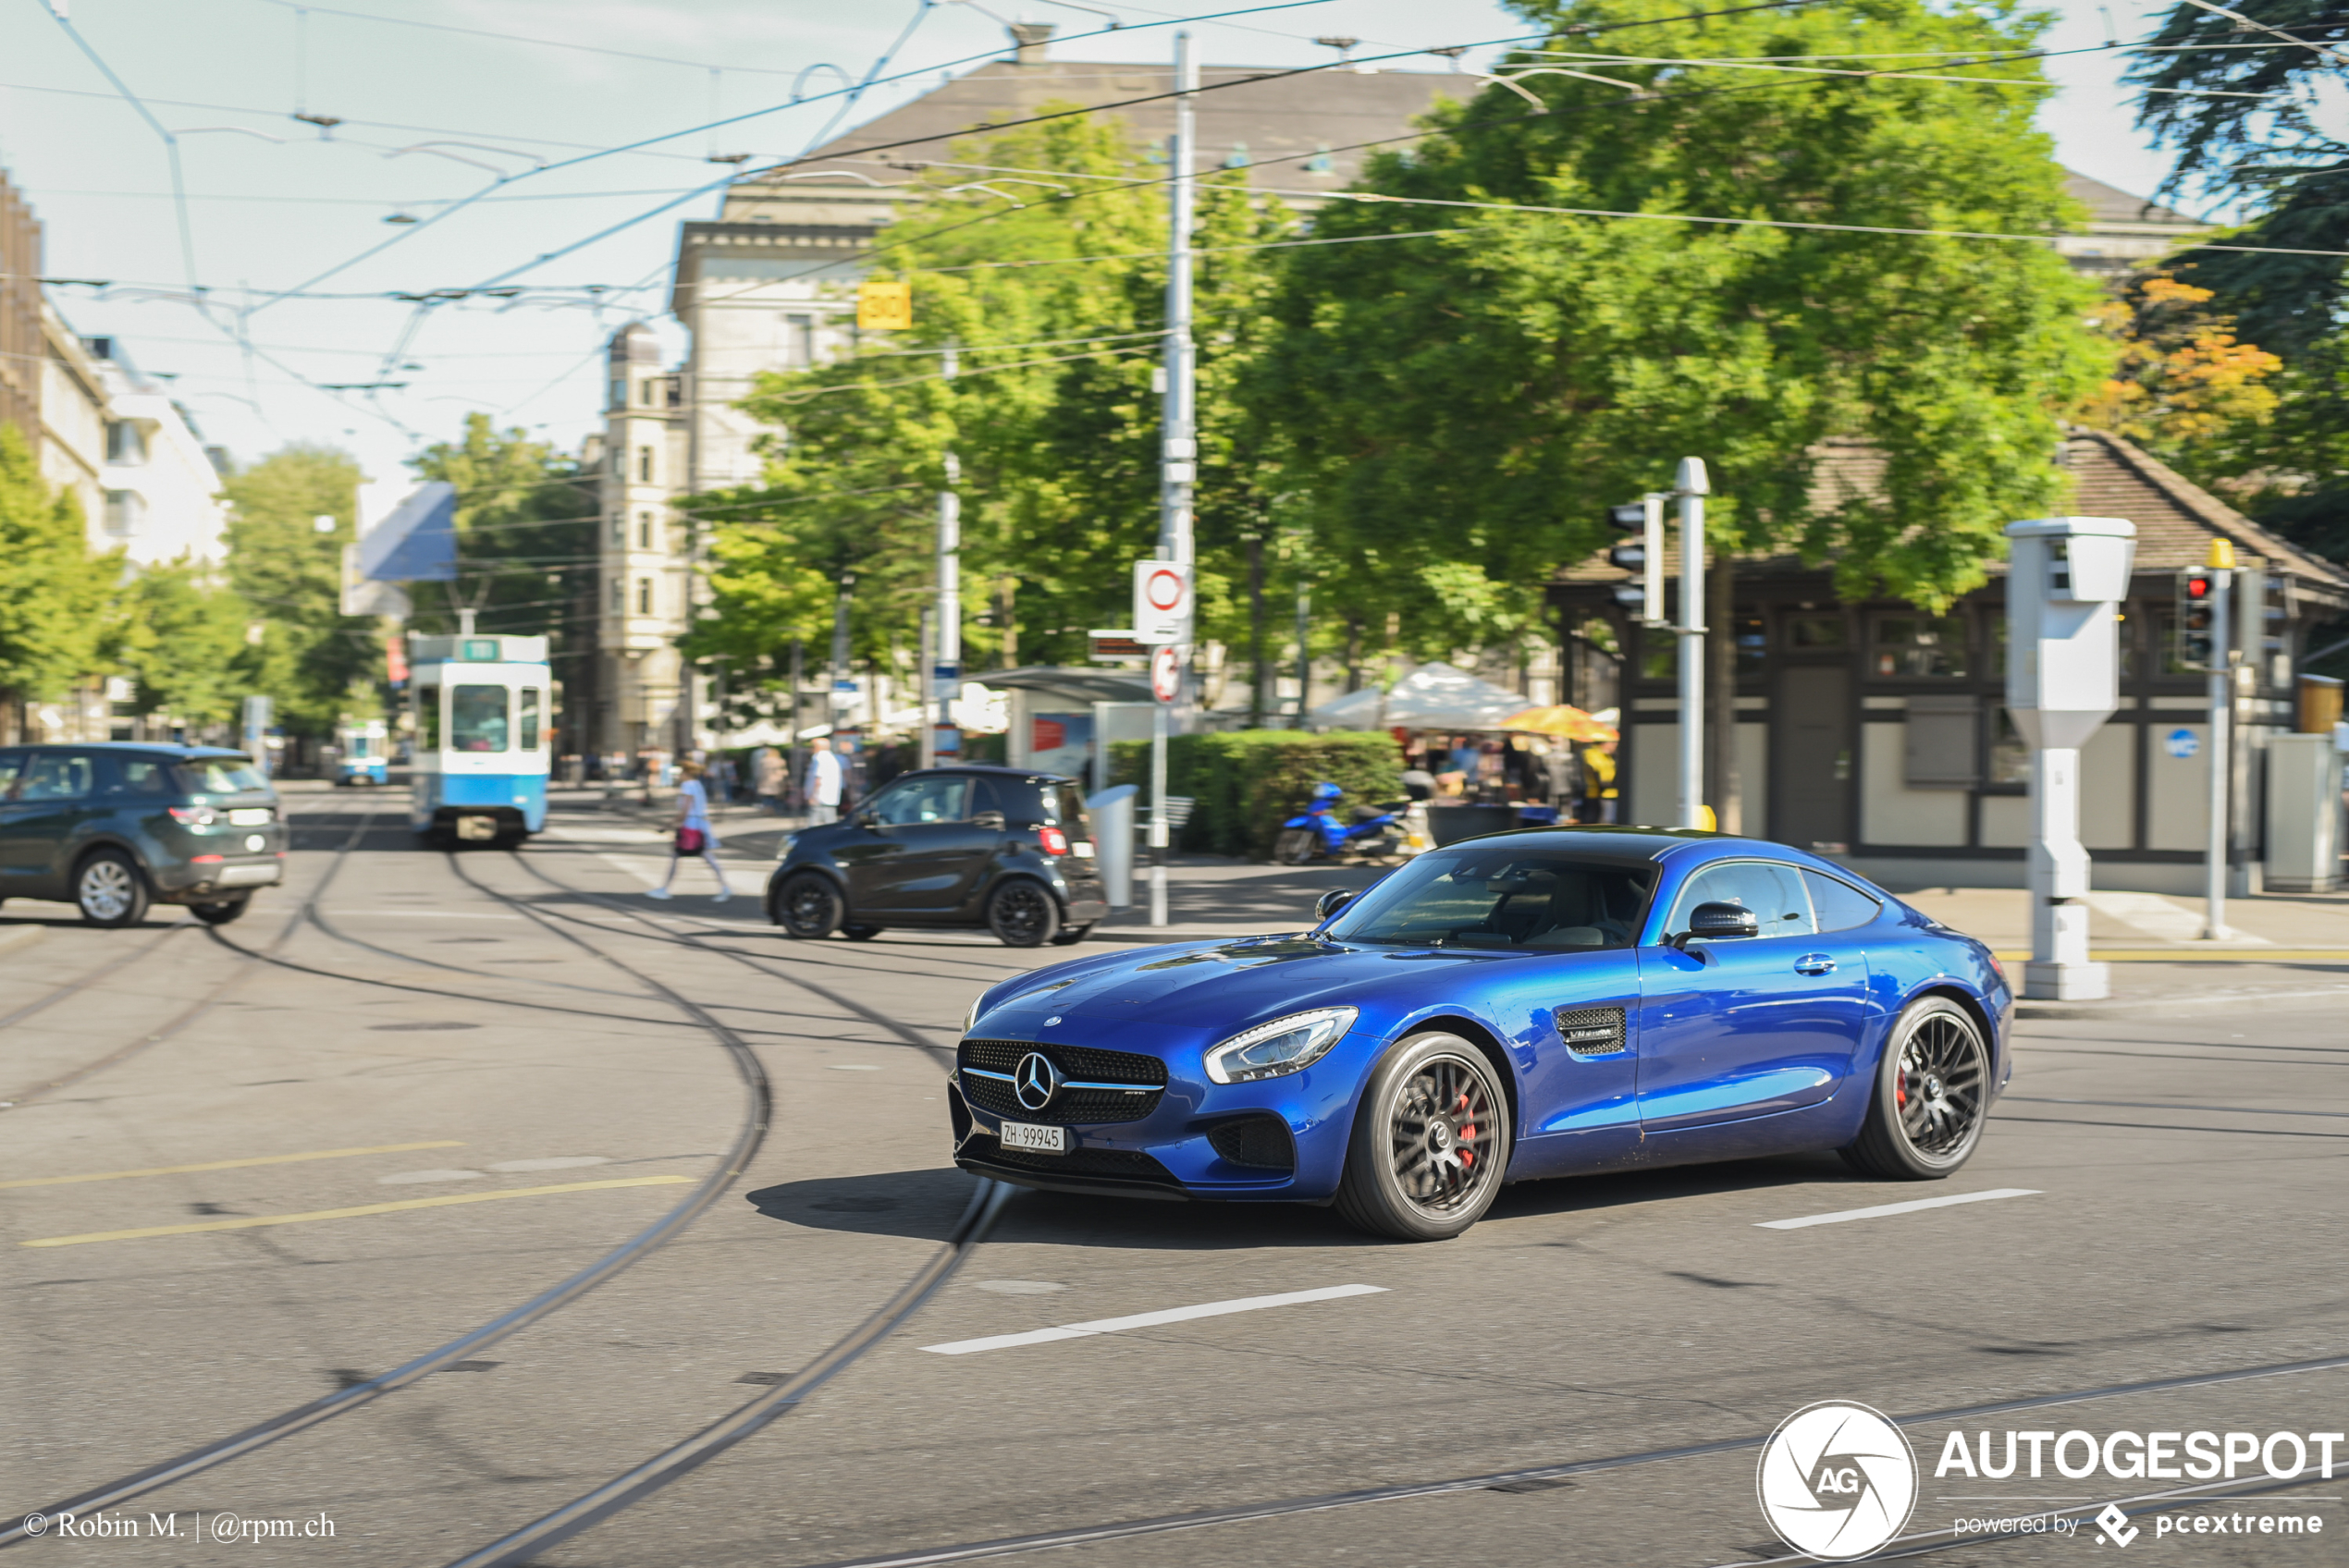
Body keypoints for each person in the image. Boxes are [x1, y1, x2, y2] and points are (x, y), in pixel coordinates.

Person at [650, 759, 729, 901]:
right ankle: (724, 887)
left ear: (686, 773)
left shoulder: (687, 786)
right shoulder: (698, 784)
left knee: (681, 856)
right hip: (700, 824)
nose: (679, 776)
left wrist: (666, 826)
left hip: (691, 827)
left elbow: (684, 812)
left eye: (681, 773)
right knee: (706, 857)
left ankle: (664, 889)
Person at [804, 737, 843, 825]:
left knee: (814, 823)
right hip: (829, 796)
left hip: (820, 797)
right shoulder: (831, 757)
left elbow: (818, 778)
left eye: (812, 746)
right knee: (829, 822)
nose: (810, 749)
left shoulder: (819, 758)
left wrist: (813, 795)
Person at [752, 746, 783, 814]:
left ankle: (767, 809)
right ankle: (771, 809)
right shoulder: (779, 761)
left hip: (765, 781)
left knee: (766, 796)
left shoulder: (763, 761)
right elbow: (782, 772)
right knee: (773, 796)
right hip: (775, 781)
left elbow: (760, 772)